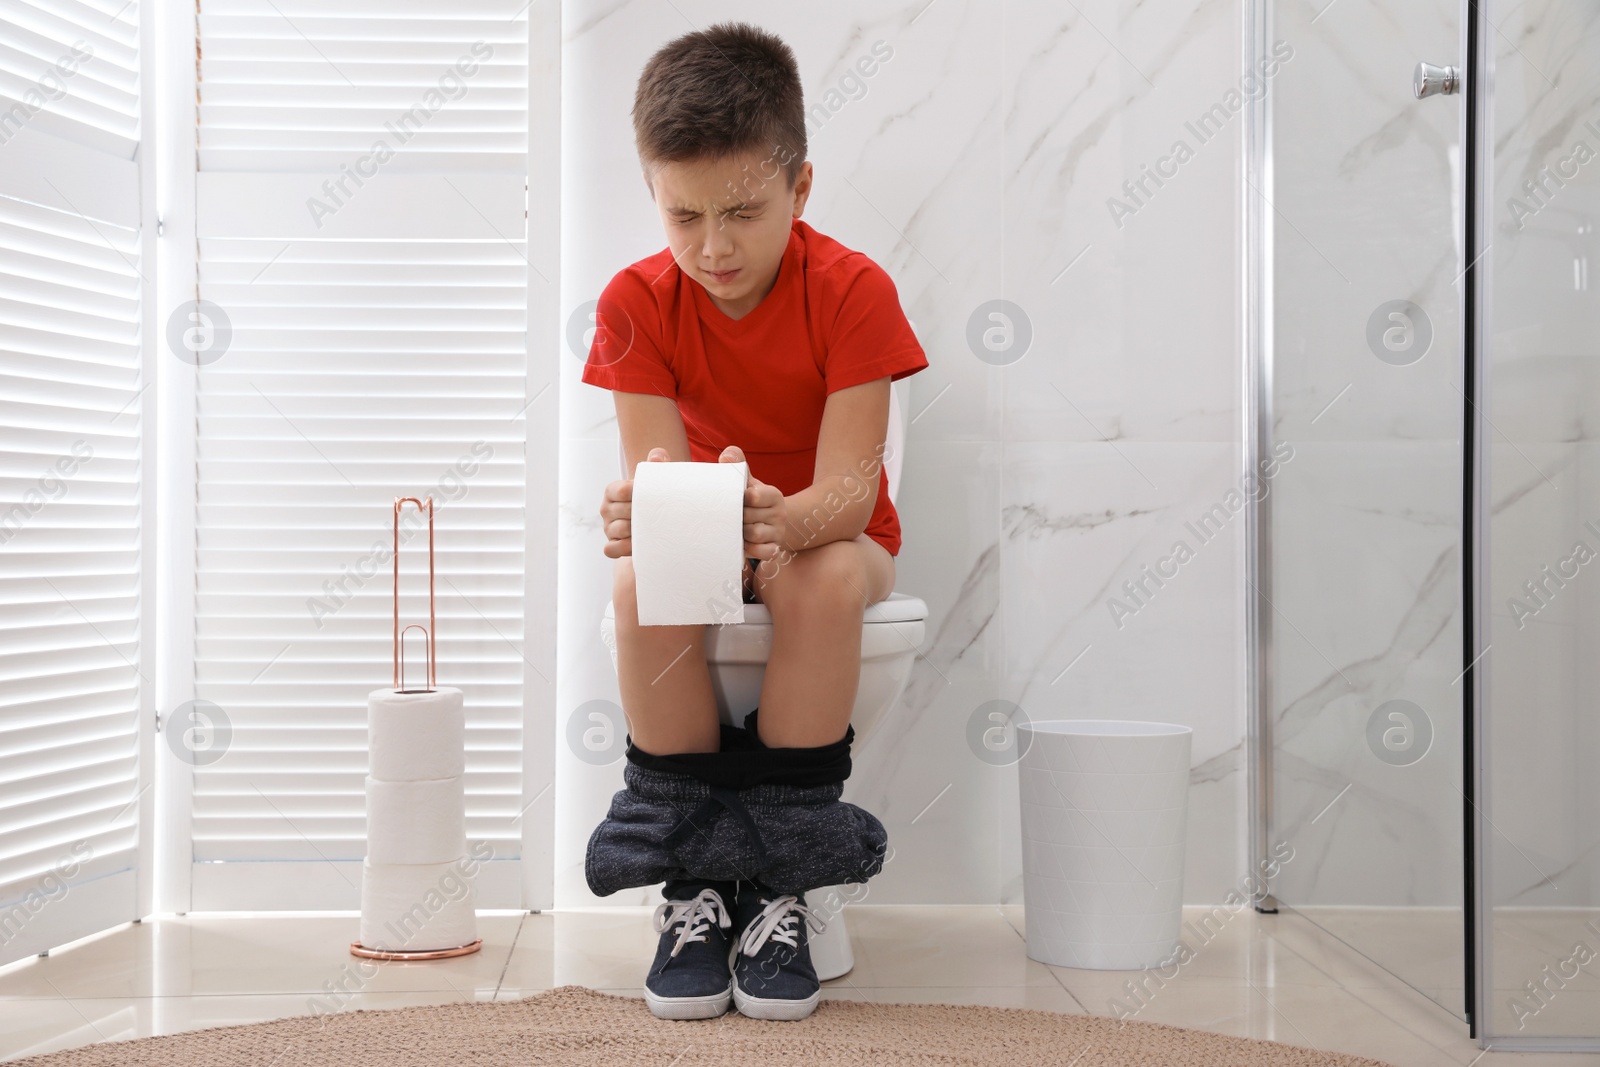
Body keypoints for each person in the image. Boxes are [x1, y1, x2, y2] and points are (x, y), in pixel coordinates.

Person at [581, 21, 928, 1022]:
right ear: (653, 191)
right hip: (705, 536)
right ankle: (695, 879)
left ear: (801, 189)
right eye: (682, 215)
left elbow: (852, 491)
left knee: (811, 577)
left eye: (743, 211)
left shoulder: (852, 289)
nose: (712, 246)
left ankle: (777, 880)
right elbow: (654, 471)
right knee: (639, 583)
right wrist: (637, 510)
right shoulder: (633, 302)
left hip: (834, 539)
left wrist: (775, 520)